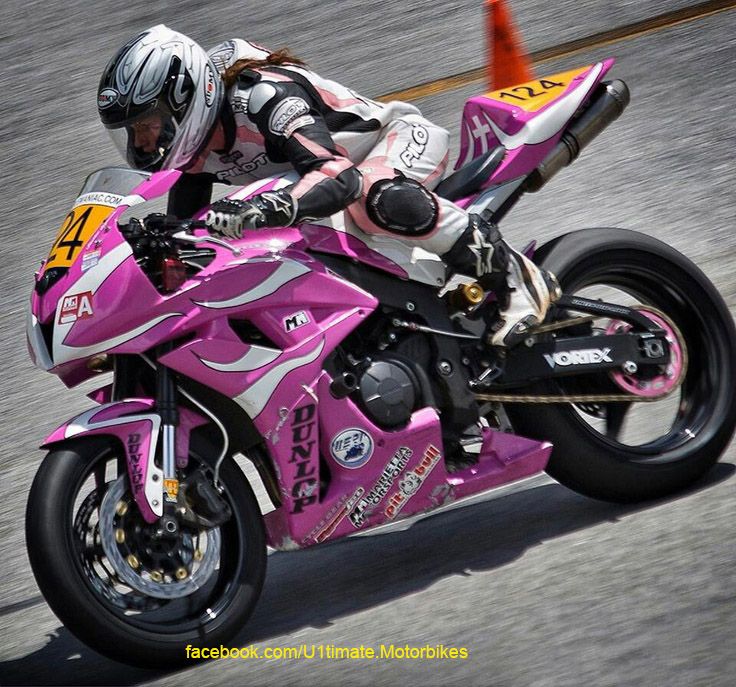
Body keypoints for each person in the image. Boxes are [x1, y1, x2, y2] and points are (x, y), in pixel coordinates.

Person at [97, 24, 558, 348]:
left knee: (375, 197)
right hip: (324, 183)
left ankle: (517, 277)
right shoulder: (195, 152)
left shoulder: (263, 99)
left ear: (183, 98)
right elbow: (188, 229)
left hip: (393, 143)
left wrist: (266, 210)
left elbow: (338, 175)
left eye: (148, 126)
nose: (143, 143)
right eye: (133, 134)